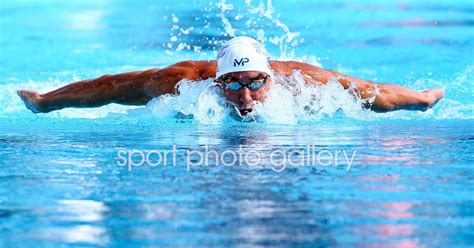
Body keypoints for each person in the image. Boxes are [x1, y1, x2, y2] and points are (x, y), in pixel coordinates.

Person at [17, 36, 444, 117]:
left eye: (257, 83)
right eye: (234, 85)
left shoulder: (304, 85)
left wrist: (421, 99)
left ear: (271, 77)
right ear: (217, 82)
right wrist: (46, 101)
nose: (246, 96)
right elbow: (107, 88)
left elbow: (373, 93)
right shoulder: (183, 85)